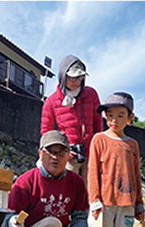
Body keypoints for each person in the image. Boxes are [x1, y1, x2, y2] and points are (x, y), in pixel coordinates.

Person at [86, 92, 145, 227]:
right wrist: (94, 200)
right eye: (110, 115)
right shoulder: (99, 139)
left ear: (130, 118)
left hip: (127, 204)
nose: (114, 120)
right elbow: (93, 172)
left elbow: (136, 174)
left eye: (120, 115)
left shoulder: (133, 144)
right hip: (104, 204)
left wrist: (139, 203)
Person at [41, 55, 103, 185]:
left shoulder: (91, 94)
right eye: (71, 77)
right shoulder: (52, 101)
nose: (75, 81)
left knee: (90, 193)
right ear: (63, 76)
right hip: (67, 156)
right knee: (68, 190)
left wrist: (98, 148)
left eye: (79, 77)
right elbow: (47, 132)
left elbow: (98, 123)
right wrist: (60, 151)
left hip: (91, 154)